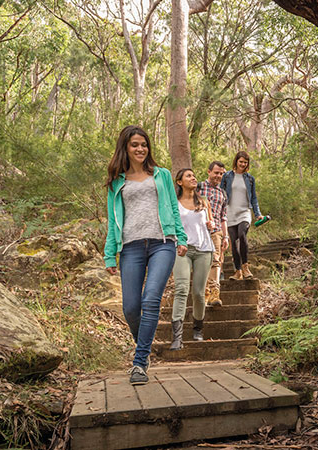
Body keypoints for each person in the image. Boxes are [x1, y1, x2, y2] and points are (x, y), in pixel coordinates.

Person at [104, 125, 187, 385]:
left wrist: (181, 238)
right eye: (134, 145)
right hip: (130, 247)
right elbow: (112, 220)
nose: (140, 149)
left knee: (150, 299)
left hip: (162, 243)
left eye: (144, 144)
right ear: (125, 148)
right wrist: (109, 255)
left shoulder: (161, 175)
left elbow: (174, 208)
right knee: (130, 308)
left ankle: (140, 361)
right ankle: (144, 343)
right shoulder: (116, 182)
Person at [170, 168, 215, 350]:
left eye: (194, 175)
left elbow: (211, 225)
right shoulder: (175, 204)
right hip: (182, 250)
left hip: (204, 250)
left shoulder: (204, 202)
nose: (193, 177)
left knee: (198, 293)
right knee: (181, 289)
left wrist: (212, 226)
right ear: (179, 182)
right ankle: (177, 337)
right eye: (188, 176)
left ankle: (197, 330)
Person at [220, 150, 263, 280]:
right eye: (241, 161)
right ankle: (237, 271)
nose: (243, 164)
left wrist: (258, 214)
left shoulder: (250, 179)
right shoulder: (227, 176)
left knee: (242, 234)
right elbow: (221, 193)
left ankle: (245, 267)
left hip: (244, 211)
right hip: (230, 212)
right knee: (233, 241)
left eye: (245, 162)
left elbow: (253, 198)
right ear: (236, 161)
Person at [197, 161, 229, 306]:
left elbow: (223, 217)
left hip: (216, 231)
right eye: (216, 172)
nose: (218, 176)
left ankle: (214, 294)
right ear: (209, 172)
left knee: (216, 261)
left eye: (221, 173)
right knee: (201, 262)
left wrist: (226, 236)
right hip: (199, 231)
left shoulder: (222, 193)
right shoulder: (199, 187)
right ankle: (202, 294)